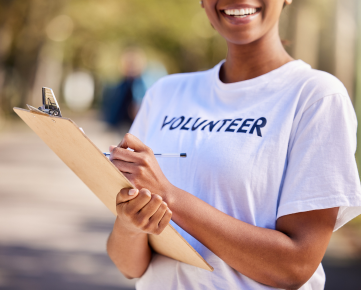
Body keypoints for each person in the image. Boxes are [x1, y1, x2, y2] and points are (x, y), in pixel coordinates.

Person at [107, 0, 361, 289]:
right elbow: (128, 265)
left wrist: (169, 196)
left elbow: (295, 265)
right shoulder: (164, 93)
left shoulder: (316, 97)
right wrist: (131, 223)